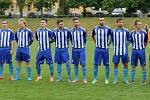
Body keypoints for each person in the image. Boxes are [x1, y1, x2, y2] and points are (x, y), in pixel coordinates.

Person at [91, 15, 112, 84]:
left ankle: (106, 79)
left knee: (107, 64)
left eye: (103, 20)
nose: (102, 21)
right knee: (95, 64)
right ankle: (95, 79)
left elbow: (111, 38)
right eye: (100, 20)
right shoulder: (95, 28)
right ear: (98, 21)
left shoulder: (108, 29)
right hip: (97, 49)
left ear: (104, 21)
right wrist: (96, 42)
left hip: (105, 49)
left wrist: (108, 44)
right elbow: (93, 36)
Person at [111, 17, 130, 84]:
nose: (121, 23)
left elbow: (129, 39)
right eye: (119, 22)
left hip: (124, 51)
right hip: (116, 51)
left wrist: (125, 46)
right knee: (116, 64)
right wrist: (116, 46)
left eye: (122, 22)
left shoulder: (126, 31)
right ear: (117, 23)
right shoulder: (113, 31)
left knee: (126, 64)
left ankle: (125, 79)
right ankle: (115, 79)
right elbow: (112, 40)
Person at [70, 17, 87, 83]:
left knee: (83, 64)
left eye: (77, 22)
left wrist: (82, 46)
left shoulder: (83, 30)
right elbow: (71, 39)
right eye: (75, 22)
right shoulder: (71, 31)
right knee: (75, 64)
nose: (76, 23)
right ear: (73, 23)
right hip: (74, 49)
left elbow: (85, 39)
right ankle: (76, 78)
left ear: (79, 22)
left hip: (82, 49)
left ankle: (84, 78)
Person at [130, 20, 148, 84]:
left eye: (141, 24)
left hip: (142, 50)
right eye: (139, 24)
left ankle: (144, 80)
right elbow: (132, 41)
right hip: (134, 50)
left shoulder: (144, 33)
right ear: (135, 25)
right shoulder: (132, 33)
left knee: (143, 65)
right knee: (133, 65)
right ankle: (132, 80)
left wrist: (143, 48)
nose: (140, 26)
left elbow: (146, 41)